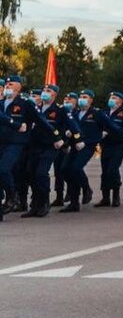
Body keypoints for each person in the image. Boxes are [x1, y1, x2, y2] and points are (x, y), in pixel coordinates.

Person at [1, 75, 51, 214]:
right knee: (13, 173)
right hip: (3, 142)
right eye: (6, 84)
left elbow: (41, 121)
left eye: (11, 84)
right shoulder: (1, 102)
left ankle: (14, 196)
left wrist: (57, 136)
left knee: (5, 170)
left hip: (18, 142)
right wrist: (16, 124)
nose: (7, 86)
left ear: (19, 87)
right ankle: (15, 200)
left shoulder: (25, 103)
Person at [23, 84, 67, 217]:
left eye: (48, 91)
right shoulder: (35, 108)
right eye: (43, 91)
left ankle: (44, 202)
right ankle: (35, 204)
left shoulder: (60, 110)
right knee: (30, 173)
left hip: (50, 146)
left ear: (54, 94)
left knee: (41, 173)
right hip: (34, 145)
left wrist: (62, 140)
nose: (44, 93)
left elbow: (68, 127)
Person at [97, 91, 123, 207]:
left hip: (119, 145)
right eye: (111, 97)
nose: (111, 99)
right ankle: (105, 198)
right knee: (105, 170)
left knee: (113, 169)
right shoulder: (104, 112)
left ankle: (116, 195)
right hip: (106, 144)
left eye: (114, 97)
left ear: (120, 101)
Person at [61, 89, 100, 212]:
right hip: (74, 145)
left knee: (75, 168)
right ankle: (80, 193)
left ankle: (78, 197)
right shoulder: (75, 113)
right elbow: (70, 125)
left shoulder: (96, 113)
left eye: (85, 96)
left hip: (88, 146)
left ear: (91, 100)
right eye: (81, 96)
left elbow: (109, 125)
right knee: (64, 169)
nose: (82, 98)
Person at [51, 92, 79, 207]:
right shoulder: (60, 111)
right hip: (60, 144)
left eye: (70, 99)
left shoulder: (77, 113)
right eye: (66, 98)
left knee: (69, 170)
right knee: (58, 171)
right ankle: (59, 196)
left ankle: (72, 193)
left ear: (76, 101)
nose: (67, 100)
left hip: (73, 146)